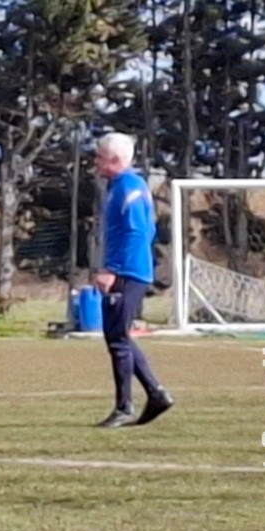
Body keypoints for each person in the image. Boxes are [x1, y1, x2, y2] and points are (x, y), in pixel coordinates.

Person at [92, 132, 174, 429]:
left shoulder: (130, 187)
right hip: (127, 270)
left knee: (117, 340)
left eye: (100, 156)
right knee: (119, 336)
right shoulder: (118, 187)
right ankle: (156, 394)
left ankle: (125, 407)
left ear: (115, 160)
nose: (95, 161)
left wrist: (113, 268)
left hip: (126, 272)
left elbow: (139, 231)